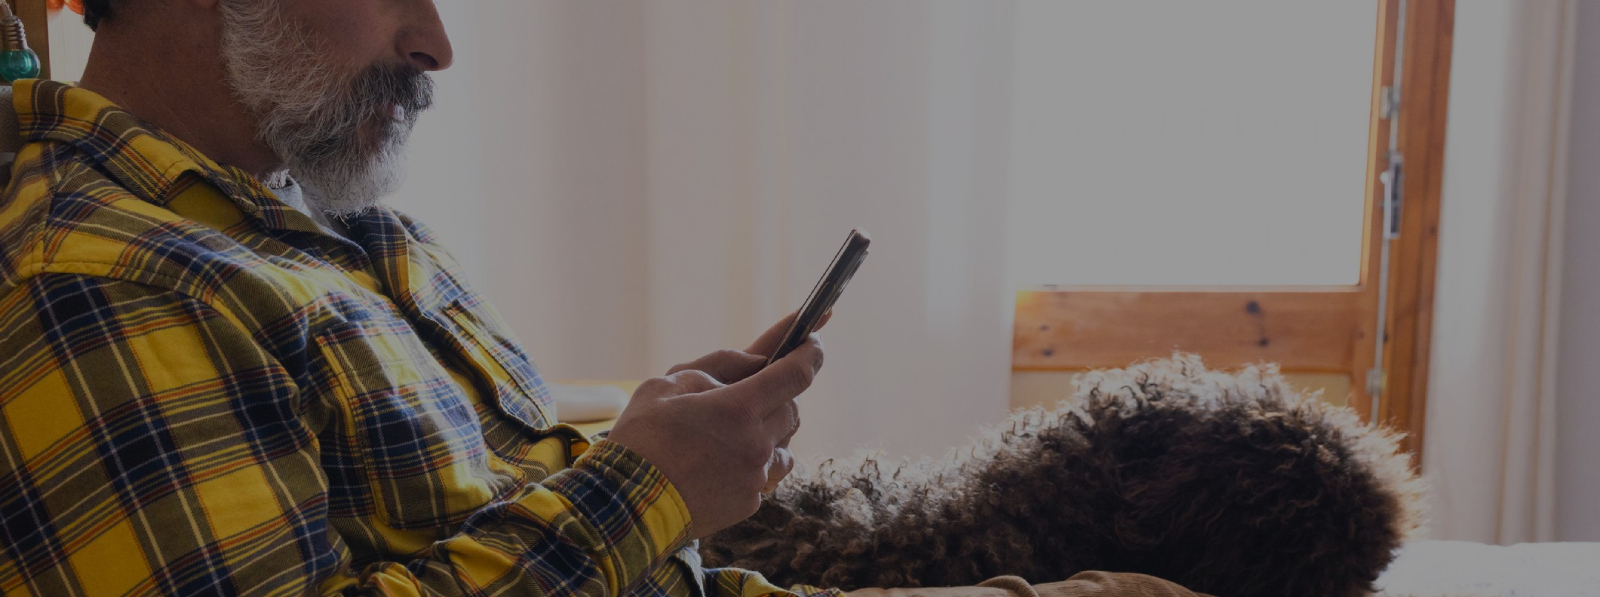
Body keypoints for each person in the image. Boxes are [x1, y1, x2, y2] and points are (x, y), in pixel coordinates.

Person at [0, 1, 1205, 595]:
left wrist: (657, 433)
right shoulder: (95, 285)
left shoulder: (331, 220)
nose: (436, 43)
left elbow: (486, 508)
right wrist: (648, 486)